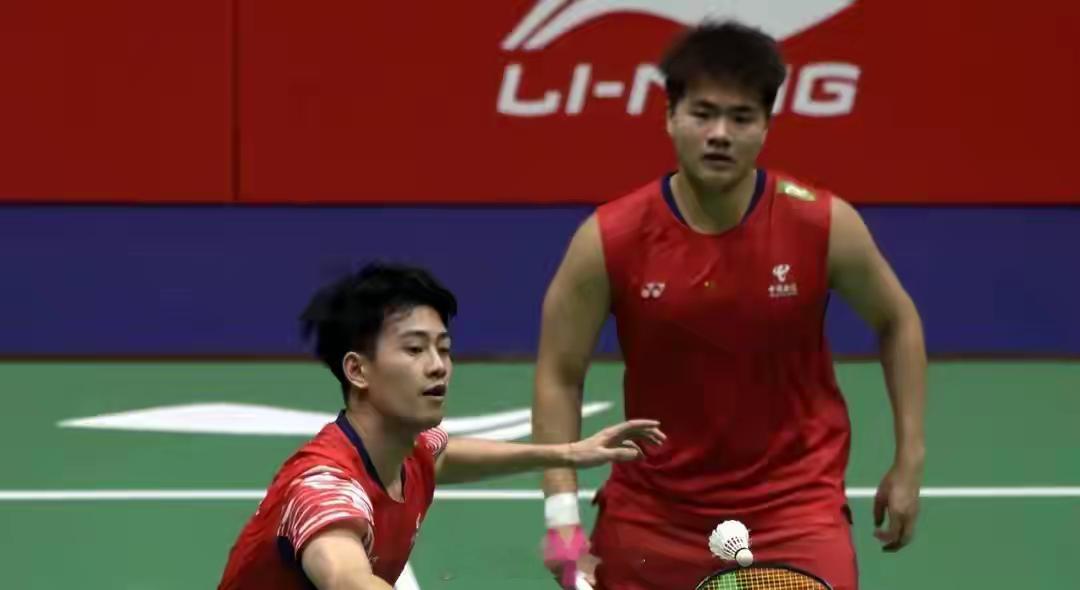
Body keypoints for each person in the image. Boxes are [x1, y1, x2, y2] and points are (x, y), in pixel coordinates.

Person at [532, 20, 927, 590]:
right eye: (702, 114)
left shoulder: (821, 224)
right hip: (653, 516)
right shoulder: (611, 238)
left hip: (793, 512)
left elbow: (897, 320)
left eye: (741, 118)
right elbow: (559, 373)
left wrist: (909, 459)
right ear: (670, 117)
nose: (719, 133)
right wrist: (561, 520)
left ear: (766, 126)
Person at [218, 262, 665, 590]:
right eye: (415, 350)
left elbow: (441, 455)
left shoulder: (404, 450)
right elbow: (345, 577)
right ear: (357, 370)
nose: (438, 367)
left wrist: (567, 453)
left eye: (444, 349)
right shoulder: (325, 487)